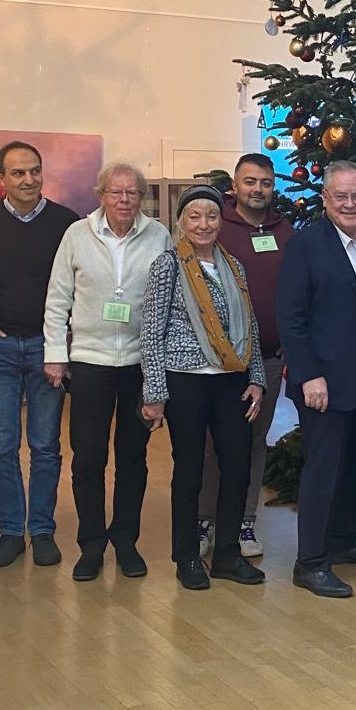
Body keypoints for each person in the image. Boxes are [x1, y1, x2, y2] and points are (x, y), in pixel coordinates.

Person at [43, 162, 170, 580]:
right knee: (88, 458)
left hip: (138, 363)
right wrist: (55, 354)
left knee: (133, 457)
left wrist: (160, 367)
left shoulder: (158, 236)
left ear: (142, 197)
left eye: (132, 193)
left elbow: (168, 301)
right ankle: (92, 544)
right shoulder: (77, 235)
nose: (124, 200)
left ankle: (126, 541)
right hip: (89, 362)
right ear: (101, 196)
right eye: (116, 192)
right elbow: (57, 299)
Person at [140, 186, 267, 590]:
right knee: (189, 470)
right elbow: (151, 332)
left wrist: (257, 379)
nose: (203, 224)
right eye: (194, 216)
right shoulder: (168, 265)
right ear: (181, 221)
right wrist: (155, 393)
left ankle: (227, 553)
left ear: (220, 220)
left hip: (231, 381)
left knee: (238, 466)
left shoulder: (233, 266)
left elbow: (249, 327)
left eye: (211, 216)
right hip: (186, 379)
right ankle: (187, 557)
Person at [277, 160, 356, 599]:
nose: (349, 203)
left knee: (355, 465)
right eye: (340, 195)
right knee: (322, 470)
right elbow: (291, 319)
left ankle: (343, 540)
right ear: (325, 198)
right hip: (323, 382)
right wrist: (309, 375)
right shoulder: (305, 245)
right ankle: (310, 562)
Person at [0, 140, 78, 570]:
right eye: (18, 173)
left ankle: (42, 531)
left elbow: (78, 281)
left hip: (49, 348)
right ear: (1, 178)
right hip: (0, 349)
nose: (28, 180)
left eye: (34, 171)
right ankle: (11, 532)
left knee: (45, 445)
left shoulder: (66, 222)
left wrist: (67, 332)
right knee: (2, 445)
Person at [196, 153, 294, 560]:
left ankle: (244, 522)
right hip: (217, 361)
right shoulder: (215, 227)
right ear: (235, 186)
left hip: (268, 358)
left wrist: (289, 341)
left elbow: (297, 291)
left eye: (265, 183)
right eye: (250, 182)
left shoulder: (285, 232)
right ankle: (205, 520)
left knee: (254, 442)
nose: (258, 189)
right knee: (211, 442)